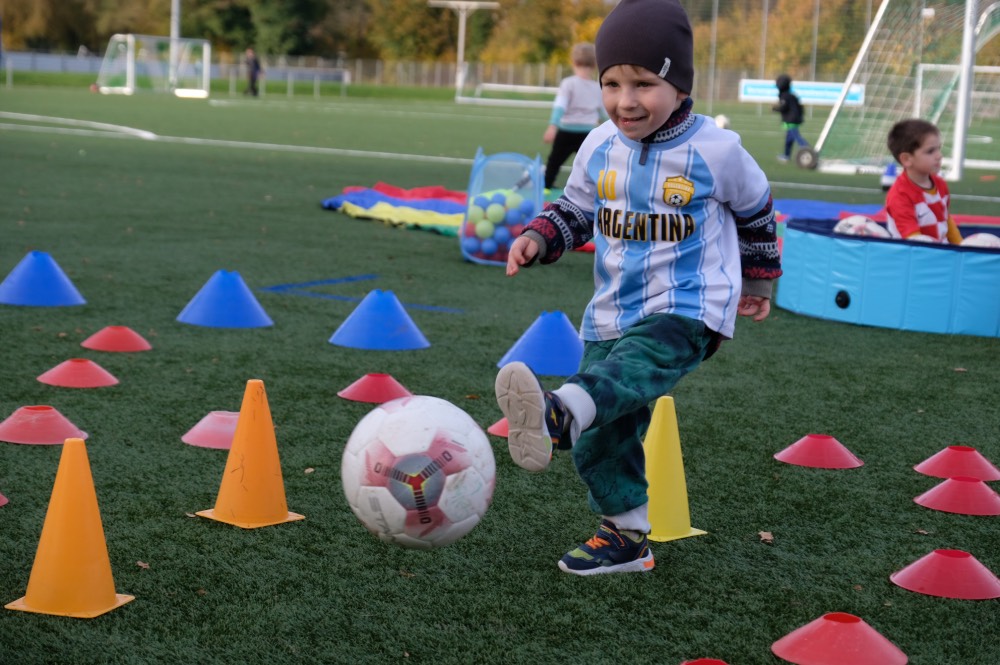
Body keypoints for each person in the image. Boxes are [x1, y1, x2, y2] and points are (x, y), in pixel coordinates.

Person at [494, 0, 781, 576]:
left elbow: (757, 211)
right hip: (612, 309)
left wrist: (757, 280)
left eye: (644, 84)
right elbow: (576, 209)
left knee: (631, 369)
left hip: (690, 307)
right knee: (604, 434)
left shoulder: (717, 150)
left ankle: (559, 412)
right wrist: (539, 237)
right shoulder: (599, 145)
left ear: (679, 86)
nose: (626, 100)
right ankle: (626, 537)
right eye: (612, 84)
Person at [884, 118, 963, 244]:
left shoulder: (940, 184)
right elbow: (913, 240)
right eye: (930, 151)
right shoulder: (899, 195)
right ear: (906, 159)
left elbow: (945, 219)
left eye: (938, 148)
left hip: (941, 251)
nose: (939, 156)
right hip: (913, 253)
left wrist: (961, 246)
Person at [542, 43, 606, 191]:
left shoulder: (568, 83)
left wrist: (553, 126)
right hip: (587, 133)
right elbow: (603, 112)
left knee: (554, 161)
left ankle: (546, 187)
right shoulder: (597, 87)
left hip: (566, 131)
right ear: (594, 64)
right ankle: (596, 190)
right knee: (590, 163)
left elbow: (560, 106)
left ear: (574, 62)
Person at [773, 74, 809, 162]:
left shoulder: (784, 96)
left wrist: (775, 108)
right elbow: (799, 107)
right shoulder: (791, 95)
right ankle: (786, 155)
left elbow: (784, 107)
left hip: (791, 120)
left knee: (796, 136)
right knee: (789, 139)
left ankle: (807, 151)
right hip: (794, 119)